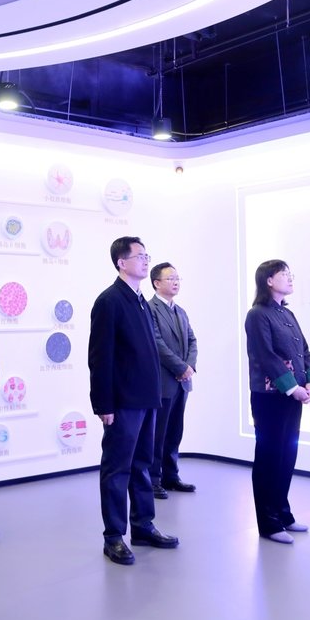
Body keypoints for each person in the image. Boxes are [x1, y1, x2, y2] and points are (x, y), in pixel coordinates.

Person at [88, 236, 178, 566]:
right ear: (121, 263)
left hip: (147, 398)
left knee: (142, 466)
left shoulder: (141, 301)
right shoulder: (109, 301)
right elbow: (100, 357)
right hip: (123, 401)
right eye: (139, 256)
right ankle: (113, 536)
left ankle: (143, 526)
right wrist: (104, 404)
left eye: (146, 255)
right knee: (117, 469)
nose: (145, 260)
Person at [244, 260, 310, 545]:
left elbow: (304, 352)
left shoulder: (287, 313)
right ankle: (268, 523)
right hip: (270, 397)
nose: (290, 278)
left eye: (290, 274)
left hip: (293, 395)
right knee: (269, 458)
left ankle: (283, 514)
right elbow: (266, 356)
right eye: (284, 274)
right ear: (269, 280)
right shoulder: (257, 315)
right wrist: (292, 388)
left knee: (287, 456)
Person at [147, 262, 198, 499]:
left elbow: (192, 340)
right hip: (163, 382)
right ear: (157, 283)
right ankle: (153, 479)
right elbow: (156, 343)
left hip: (181, 382)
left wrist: (189, 367)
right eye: (171, 278)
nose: (176, 282)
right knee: (158, 433)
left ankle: (171, 476)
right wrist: (180, 367)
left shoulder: (181, 311)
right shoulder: (150, 309)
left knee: (175, 431)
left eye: (178, 278)